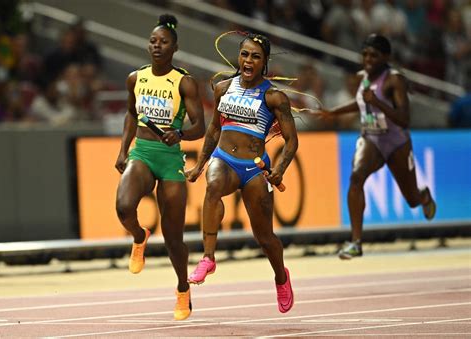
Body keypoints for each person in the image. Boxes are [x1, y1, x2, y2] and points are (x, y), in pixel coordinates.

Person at [185, 32, 297, 313]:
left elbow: (292, 141)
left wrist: (280, 170)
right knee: (213, 187)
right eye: (244, 54)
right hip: (224, 159)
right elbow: (213, 129)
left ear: (264, 62)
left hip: (254, 167)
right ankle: (208, 258)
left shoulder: (274, 97)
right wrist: (200, 165)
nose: (248, 60)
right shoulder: (223, 88)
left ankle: (281, 277)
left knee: (265, 238)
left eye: (255, 56)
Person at [114, 14, 205, 321]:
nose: (156, 46)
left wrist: (178, 133)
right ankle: (139, 237)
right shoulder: (135, 78)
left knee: (173, 238)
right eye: (153, 41)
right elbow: (130, 113)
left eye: (163, 42)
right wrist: (123, 150)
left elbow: (200, 127)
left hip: (169, 159)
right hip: (142, 152)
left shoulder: (184, 82)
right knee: (124, 207)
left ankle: (182, 289)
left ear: (174, 47)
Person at [316, 34, 436, 260]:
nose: (368, 59)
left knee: (411, 200)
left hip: (396, 142)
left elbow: (404, 119)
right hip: (372, 139)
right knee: (355, 177)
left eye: (374, 55)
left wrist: (378, 102)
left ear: (386, 57)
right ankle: (355, 242)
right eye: (365, 55)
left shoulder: (394, 80)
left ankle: (423, 196)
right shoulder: (363, 76)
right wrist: (333, 112)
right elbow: (362, 103)